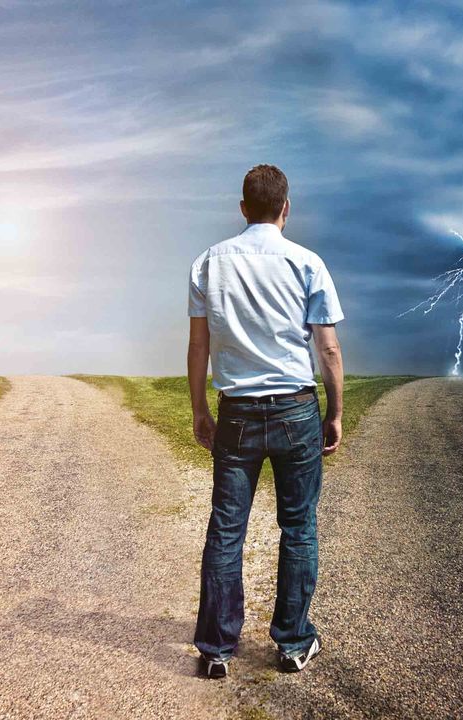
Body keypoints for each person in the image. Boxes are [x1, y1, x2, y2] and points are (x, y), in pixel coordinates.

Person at [187, 164, 345, 679]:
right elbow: (328, 347)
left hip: (236, 413)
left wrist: (199, 410)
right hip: (297, 408)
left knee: (227, 529)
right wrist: (336, 412)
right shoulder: (307, 263)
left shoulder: (209, 263)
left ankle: (215, 649)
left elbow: (198, 345)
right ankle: (294, 643)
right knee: (298, 527)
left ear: (241, 208)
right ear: (285, 208)